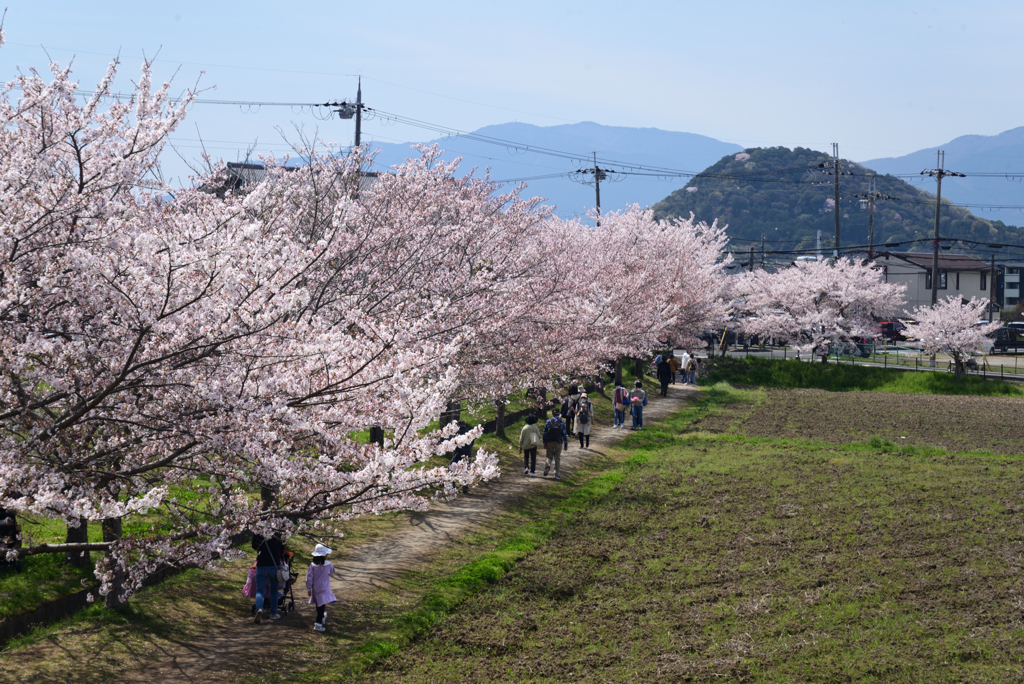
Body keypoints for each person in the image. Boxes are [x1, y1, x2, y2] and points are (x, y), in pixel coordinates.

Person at [251, 531, 286, 623]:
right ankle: (273, 613)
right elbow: (282, 548)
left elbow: (254, 546)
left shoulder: (258, 531)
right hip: (274, 565)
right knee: (274, 590)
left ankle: (259, 609)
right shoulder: (277, 531)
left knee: (260, 590)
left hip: (261, 564)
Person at [305, 543, 337, 633]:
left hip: (316, 588)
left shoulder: (312, 565)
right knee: (322, 605)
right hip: (324, 588)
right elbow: (331, 572)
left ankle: (322, 616)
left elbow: (309, 578)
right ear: (324, 555)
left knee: (319, 604)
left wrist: (309, 589)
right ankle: (318, 623)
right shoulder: (328, 564)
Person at [542, 408, 569, 480]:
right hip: (558, 442)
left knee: (549, 456)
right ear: (559, 414)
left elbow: (544, 432)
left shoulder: (548, 421)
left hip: (549, 442)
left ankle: (547, 466)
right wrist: (566, 445)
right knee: (557, 459)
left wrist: (544, 442)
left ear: (552, 414)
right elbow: (564, 434)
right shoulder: (562, 422)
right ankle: (557, 474)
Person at [450, 420, 475, 494]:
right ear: (464, 425)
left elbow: (453, 444)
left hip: (458, 454)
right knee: (466, 471)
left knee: (452, 470)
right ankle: (465, 487)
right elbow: (471, 443)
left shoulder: (457, 434)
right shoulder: (469, 434)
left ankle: (452, 487)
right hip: (467, 455)